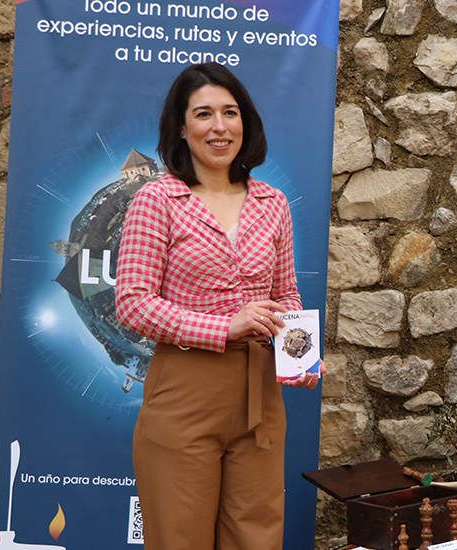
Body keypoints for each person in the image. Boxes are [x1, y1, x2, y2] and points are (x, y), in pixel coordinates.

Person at [115, 62, 322, 550]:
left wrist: (300, 352)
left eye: (230, 112)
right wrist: (224, 326)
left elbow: (286, 293)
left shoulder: (272, 202)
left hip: (260, 394)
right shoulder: (156, 199)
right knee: (178, 537)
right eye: (203, 114)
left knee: (256, 536)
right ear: (182, 128)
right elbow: (132, 304)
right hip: (185, 388)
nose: (220, 126)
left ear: (245, 123)